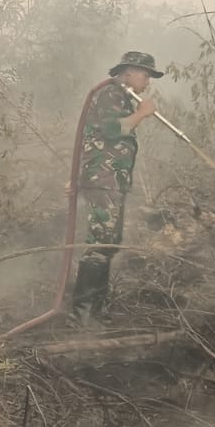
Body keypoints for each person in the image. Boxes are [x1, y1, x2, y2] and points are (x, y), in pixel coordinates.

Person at [70, 51, 160, 324]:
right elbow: (110, 130)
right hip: (103, 181)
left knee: (109, 243)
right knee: (100, 244)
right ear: (129, 71)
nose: (147, 81)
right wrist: (142, 114)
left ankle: (95, 312)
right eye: (145, 75)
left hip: (111, 182)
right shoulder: (110, 93)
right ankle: (82, 315)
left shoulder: (121, 96)